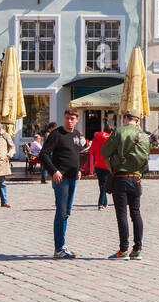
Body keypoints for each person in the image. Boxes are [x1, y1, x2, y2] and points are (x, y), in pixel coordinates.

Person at [101, 112, 151, 260]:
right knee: (136, 212)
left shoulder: (119, 131)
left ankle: (123, 250)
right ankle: (137, 249)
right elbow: (145, 161)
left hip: (120, 177)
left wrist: (111, 169)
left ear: (126, 119)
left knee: (121, 213)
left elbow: (104, 152)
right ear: (137, 121)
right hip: (136, 178)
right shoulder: (145, 137)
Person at [39, 110, 83, 258]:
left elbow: (76, 153)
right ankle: (59, 248)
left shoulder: (76, 134)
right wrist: (54, 171)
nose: (69, 121)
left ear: (77, 119)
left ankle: (62, 246)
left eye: (72, 119)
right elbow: (43, 154)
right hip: (61, 178)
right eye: (66, 118)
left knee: (67, 212)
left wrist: (78, 169)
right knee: (61, 212)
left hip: (72, 177)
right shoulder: (56, 134)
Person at [90, 122, 113, 210]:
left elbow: (92, 151)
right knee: (104, 185)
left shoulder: (96, 138)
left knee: (101, 184)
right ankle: (100, 203)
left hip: (97, 164)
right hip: (106, 164)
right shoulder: (109, 139)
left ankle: (105, 202)